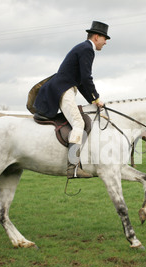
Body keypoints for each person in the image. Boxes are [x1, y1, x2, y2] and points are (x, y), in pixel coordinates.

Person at [34, 21, 110, 179]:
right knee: (79, 123)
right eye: (104, 38)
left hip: (64, 87)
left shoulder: (84, 48)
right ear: (96, 37)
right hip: (63, 89)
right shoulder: (88, 49)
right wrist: (96, 97)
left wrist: (94, 100)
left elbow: (81, 82)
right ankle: (73, 167)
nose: (106, 42)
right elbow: (86, 78)